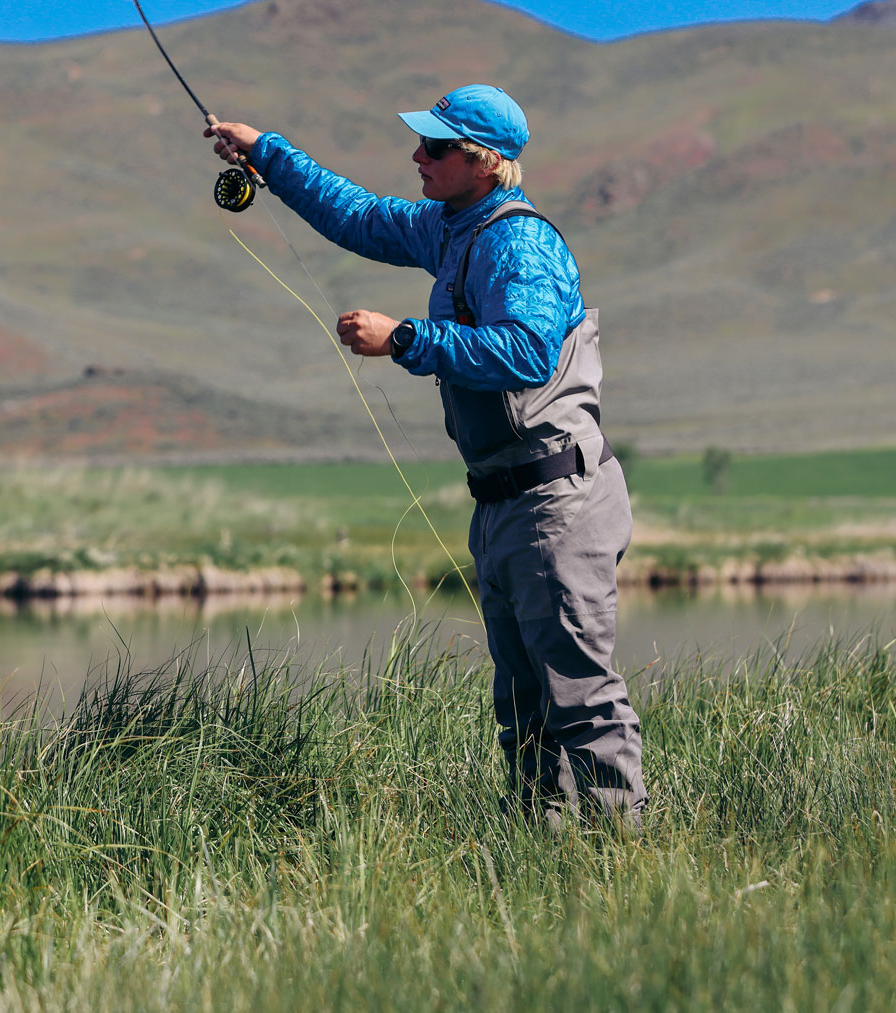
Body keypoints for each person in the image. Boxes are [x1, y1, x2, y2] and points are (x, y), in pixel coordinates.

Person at [205, 85, 646, 829]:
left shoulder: (519, 242)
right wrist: (265, 154)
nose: (419, 156)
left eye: (436, 147)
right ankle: (549, 865)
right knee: (523, 710)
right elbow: (356, 215)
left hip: (557, 500)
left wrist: (405, 339)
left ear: (481, 161)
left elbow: (529, 351)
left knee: (582, 697)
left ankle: (626, 866)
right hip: (506, 502)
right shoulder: (449, 227)